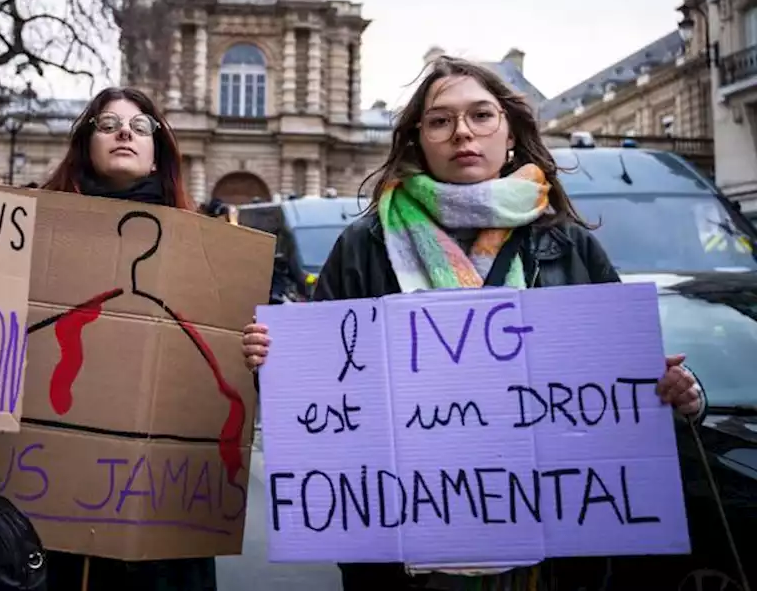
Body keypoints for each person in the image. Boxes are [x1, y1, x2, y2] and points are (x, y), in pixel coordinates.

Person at [240, 57, 705, 591]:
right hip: (402, 556)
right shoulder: (363, 247)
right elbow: (318, 395)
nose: (462, 131)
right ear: (419, 140)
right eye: (440, 120)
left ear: (509, 133)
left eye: (481, 115)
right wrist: (274, 364)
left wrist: (683, 395)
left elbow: (628, 386)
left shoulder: (569, 246)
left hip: (551, 560)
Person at [39, 87, 212, 591]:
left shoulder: (208, 250)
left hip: (157, 510)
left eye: (140, 127)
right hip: (51, 499)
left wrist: (257, 354)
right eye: (108, 124)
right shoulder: (37, 228)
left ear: (160, 149)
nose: (123, 134)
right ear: (84, 142)